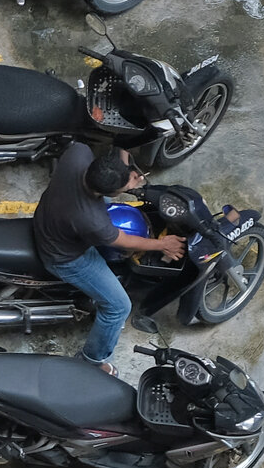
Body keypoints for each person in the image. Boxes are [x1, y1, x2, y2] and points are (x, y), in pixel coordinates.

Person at [31, 142, 183, 373]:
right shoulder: (91, 220)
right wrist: (161, 244)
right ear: (107, 192)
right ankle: (92, 361)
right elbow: (124, 240)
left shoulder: (77, 154)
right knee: (118, 307)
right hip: (64, 256)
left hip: (49, 216)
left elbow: (120, 152)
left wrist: (126, 165)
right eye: (125, 185)